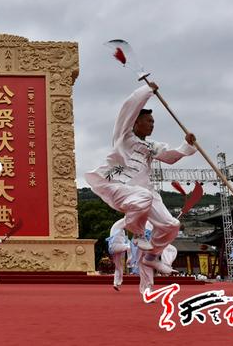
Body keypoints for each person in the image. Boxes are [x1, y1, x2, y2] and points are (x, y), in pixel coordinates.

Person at [84, 82, 196, 292]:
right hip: (120, 188)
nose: (152, 125)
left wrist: (187, 145)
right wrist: (147, 92)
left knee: (171, 226)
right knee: (142, 197)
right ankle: (136, 233)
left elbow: (170, 157)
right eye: (148, 121)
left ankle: (152, 257)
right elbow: (129, 107)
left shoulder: (152, 146)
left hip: (147, 194)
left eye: (154, 121)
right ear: (136, 122)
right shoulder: (123, 136)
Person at [106, 218, 130, 291]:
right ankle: (129, 260)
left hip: (118, 248)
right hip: (115, 246)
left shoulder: (122, 231)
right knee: (130, 247)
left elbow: (124, 240)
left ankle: (116, 283)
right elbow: (125, 221)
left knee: (118, 266)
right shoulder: (117, 227)